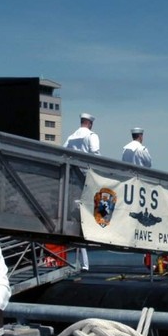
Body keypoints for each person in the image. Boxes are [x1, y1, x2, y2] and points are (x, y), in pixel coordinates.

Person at [63, 113, 99, 271]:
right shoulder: (91, 136)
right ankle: (85, 264)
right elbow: (96, 154)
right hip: (87, 177)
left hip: (73, 178)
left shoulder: (71, 137)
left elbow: (63, 151)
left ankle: (84, 264)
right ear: (90, 124)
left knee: (77, 220)